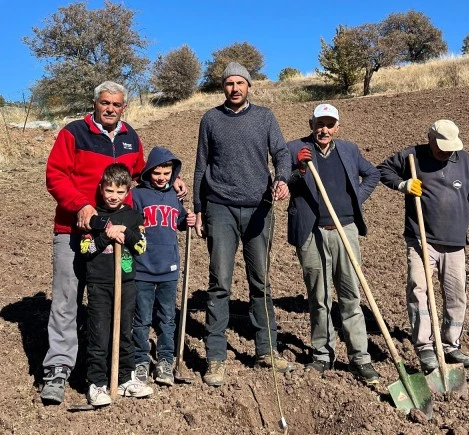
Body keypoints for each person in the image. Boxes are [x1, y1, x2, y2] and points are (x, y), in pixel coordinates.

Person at [42, 81, 186, 404]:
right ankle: (58, 369)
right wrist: (81, 205)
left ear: (124, 107)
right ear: (95, 104)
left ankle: (110, 371)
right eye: (104, 102)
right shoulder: (74, 133)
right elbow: (55, 175)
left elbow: (142, 173)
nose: (110, 108)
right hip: (73, 230)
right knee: (67, 299)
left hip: (115, 239)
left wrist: (171, 181)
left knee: (110, 303)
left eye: (116, 104)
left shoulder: (131, 138)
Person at [193, 62, 293, 387]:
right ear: (223, 87)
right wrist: (198, 210)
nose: (234, 88)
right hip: (219, 207)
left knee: (260, 282)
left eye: (240, 83)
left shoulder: (264, 117)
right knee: (219, 283)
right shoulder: (211, 119)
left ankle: (266, 350)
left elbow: (281, 154)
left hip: (259, 209)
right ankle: (216, 358)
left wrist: (282, 179)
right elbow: (200, 167)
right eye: (229, 83)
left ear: (249, 86)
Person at [378, 119, 469, 372]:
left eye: (450, 148)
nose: (446, 152)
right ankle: (425, 346)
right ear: (430, 138)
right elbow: (383, 170)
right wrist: (402, 184)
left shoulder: (465, 161)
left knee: (456, 295)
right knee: (419, 290)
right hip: (421, 239)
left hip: (455, 242)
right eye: (441, 147)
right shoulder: (411, 156)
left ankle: (451, 344)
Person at [287, 103, 381, 383]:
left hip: (345, 230)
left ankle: (360, 358)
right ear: (311, 124)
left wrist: (356, 200)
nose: (324, 129)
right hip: (311, 232)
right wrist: (299, 171)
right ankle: (322, 354)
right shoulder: (295, 149)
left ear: (337, 127)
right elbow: (280, 181)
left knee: (351, 295)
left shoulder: (349, 150)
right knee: (319, 297)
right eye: (319, 123)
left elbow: (372, 174)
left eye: (329, 124)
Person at [80, 163, 153, 406]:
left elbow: (141, 247)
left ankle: (125, 378)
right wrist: (105, 236)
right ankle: (97, 383)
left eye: (120, 192)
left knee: (124, 333)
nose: (114, 196)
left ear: (128, 190)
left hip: (127, 282)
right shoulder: (93, 217)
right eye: (109, 190)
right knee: (99, 335)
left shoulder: (132, 216)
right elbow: (86, 251)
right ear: (101, 188)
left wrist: (126, 233)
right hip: (100, 284)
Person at [131, 146, 196, 386]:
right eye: (157, 172)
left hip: (169, 269)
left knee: (167, 318)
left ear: (173, 173)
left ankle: (165, 360)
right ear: (149, 171)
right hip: (143, 268)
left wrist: (186, 219)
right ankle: (140, 361)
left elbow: (179, 220)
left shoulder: (173, 196)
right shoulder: (137, 196)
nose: (162, 178)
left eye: (167, 173)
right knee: (142, 318)